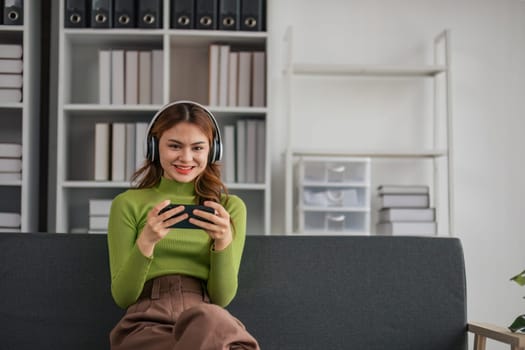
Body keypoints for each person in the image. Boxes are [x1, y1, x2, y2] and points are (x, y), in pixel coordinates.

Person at [107, 101, 260, 350]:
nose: (186, 158)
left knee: (211, 319)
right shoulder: (127, 204)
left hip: (208, 320)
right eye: (175, 146)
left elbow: (222, 298)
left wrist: (222, 242)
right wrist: (147, 241)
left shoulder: (230, 209)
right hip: (147, 322)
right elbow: (123, 297)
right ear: (155, 148)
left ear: (212, 151)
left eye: (197, 147)